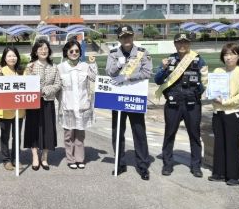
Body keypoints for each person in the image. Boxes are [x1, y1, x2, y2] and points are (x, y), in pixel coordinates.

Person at [154, 32, 208, 177]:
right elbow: (157, 80)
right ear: (175, 44)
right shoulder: (168, 60)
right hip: (173, 103)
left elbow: (205, 82)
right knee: (169, 134)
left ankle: (196, 166)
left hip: (192, 104)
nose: (182, 45)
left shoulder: (199, 60)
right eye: (179, 42)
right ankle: (167, 164)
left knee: (194, 135)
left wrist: (195, 93)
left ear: (189, 43)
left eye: (185, 42)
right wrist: (163, 68)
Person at [105, 25, 153, 180]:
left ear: (133, 36)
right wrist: (118, 65)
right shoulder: (113, 53)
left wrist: (128, 77)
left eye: (129, 35)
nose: (126, 38)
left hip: (135, 97)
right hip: (118, 97)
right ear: (119, 38)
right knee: (117, 131)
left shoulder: (142, 53)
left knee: (139, 132)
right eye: (123, 36)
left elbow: (147, 72)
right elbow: (109, 72)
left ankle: (143, 165)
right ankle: (119, 163)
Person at [209, 43, 239, 186]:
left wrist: (226, 102)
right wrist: (206, 81)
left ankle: (235, 176)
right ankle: (219, 173)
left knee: (232, 144)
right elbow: (211, 88)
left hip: (233, 113)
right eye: (226, 54)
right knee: (219, 143)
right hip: (218, 112)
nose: (228, 57)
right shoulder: (218, 70)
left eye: (232, 54)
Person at [57, 39, 98, 169]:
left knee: (80, 135)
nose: (74, 53)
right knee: (68, 135)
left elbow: (94, 78)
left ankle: (80, 159)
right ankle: (70, 159)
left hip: (82, 106)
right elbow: (57, 86)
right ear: (66, 52)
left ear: (80, 52)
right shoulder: (60, 67)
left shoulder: (85, 66)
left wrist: (93, 63)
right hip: (67, 106)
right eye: (71, 51)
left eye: (77, 51)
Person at [23, 38, 61, 171]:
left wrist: (44, 91)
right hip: (33, 102)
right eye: (40, 49)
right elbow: (25, 83)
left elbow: (58, 84)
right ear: (35, 51)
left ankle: (44, 157)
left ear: (49, 51)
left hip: (48, 102)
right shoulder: (30, 65)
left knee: (48, 130)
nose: (43, 51)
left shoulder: (54, 66)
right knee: (33, 128)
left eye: (46, 49)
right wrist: (29, 72)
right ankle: (35, 156)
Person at [0, 46, 26, 170]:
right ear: (4, 58)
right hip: (5, 110)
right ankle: (6, 160)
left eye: (14, 55)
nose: (12, 58)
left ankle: (15, 158)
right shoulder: (0, 70)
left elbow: (27, 87)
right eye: (9, 56)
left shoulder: (22, 71)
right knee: (5, 136)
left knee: (17, 136)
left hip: (19, 110)